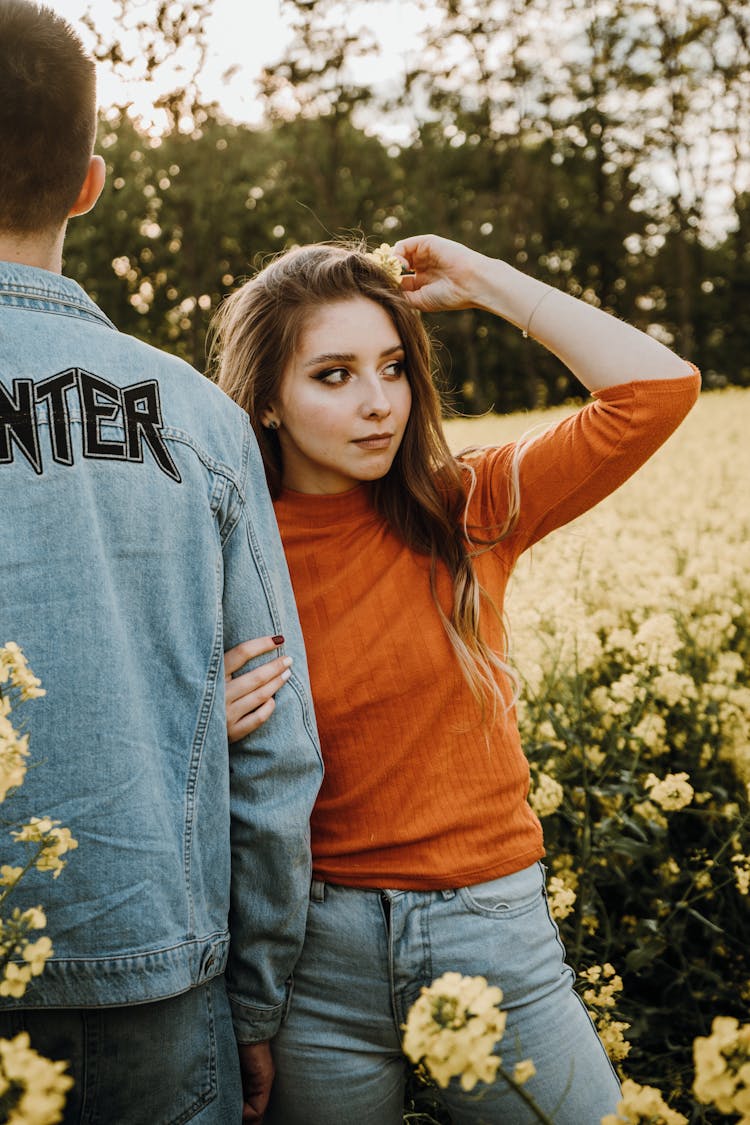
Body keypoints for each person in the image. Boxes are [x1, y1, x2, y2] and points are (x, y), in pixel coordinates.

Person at [211, 234, 701, 1125]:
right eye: (333, 375)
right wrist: (198, 719)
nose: (378, 404)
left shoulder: (465, 506)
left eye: (393, 366)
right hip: (312, 956)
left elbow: (656, 390)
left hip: (493, 931)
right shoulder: (222, 552)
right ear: (268, 401)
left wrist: (486, 282)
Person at [0, 4, 322, 1123]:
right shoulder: (198, 417)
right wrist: (259, 1000)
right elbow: (277, 754)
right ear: (88, 185)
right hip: (154, 969)